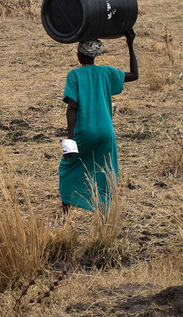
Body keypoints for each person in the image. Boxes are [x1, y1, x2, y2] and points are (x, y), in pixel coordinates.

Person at [59, 32, 138, 214]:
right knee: (105, 172)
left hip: (84, 131)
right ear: (96, 55)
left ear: (79, 55)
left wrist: (70, 141)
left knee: (67, 171)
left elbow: (72, 108)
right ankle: (105, 215)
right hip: (106, 132)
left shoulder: (74, 75)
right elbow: (134, 74)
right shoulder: (106, 72)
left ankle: (65, 219)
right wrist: (130, 43)